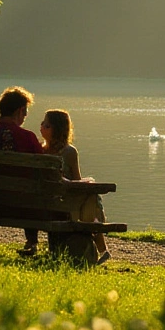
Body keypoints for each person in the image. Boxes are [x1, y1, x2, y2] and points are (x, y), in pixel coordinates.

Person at [0, 86, 44, 255]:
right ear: (20, 110)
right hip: (24, 206)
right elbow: (45, 172)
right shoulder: (28, 137)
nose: (26, 115)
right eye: (26, 111)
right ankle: (32, 241)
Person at [41, 109, 111, 265]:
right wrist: (87, 182)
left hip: (44, 203)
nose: (41, 126)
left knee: (89, 193)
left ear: (55, 130)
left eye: (46, 125)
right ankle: (102, 248)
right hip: (64, 205)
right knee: (91, 193)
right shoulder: (69, 152)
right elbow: (77, 181)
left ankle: (103, 249)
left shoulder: (40, 151)